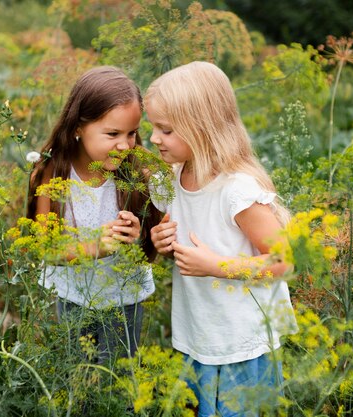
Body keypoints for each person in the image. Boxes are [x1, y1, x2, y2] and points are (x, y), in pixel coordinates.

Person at [146, 61, 298, 416]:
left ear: (201, 129)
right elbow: (188, 251)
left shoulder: (237, 189)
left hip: (241, 342)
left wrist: (217, 266)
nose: (154, 138)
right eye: (153, 127)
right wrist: (162, 243)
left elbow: (284, 262)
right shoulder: (171, 180)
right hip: (200, 334)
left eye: (166, 130)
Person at [27, 66, 162, 365]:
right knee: (77, 375)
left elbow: (156, 240)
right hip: (72, 296)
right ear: (77, 127)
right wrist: (96, 247)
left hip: (125, 298)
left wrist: (137, 233)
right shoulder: (54, 172)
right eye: (112, 134)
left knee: (117, 377)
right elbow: (45, 248)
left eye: (132, 133)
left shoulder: (138, 172)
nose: (125, 145)